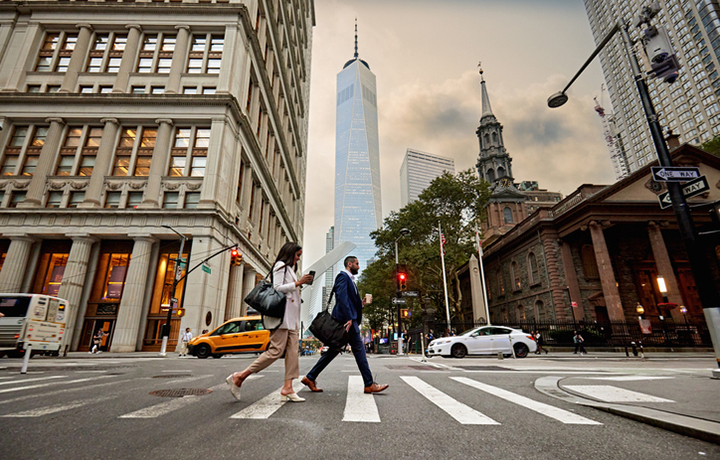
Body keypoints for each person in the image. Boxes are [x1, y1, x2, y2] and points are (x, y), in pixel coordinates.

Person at [226, 242, 313, 402]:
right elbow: (277, 287)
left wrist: (299, 285)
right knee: (275, 351)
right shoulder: (280, 266)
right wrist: (298, 283)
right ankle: (239, 376)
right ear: (290, 253)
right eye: (297, 255)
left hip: (292, 319)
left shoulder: (290, 270)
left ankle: (288, 387)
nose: (298, 259)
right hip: (281, 317)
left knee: (293, 353)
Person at [301, 256, 389, 394]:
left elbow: (348, 300)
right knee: (359, 349)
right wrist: (349, 318)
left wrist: (361, 303)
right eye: (357, 264)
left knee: (334, 350)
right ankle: (369, 384)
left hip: (348, 319)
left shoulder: (351, 280)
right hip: (347, 321)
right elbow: (341, 298)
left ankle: (310, 377)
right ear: (350, 264)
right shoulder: (343, 276)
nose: (359, 267)